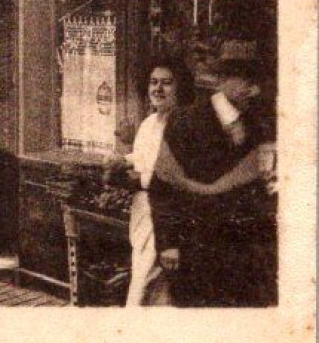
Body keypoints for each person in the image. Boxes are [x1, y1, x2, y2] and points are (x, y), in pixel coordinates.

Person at [150, 47, 276, 307]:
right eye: (248, 81)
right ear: (222, 80)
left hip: (243, 254)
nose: (255, 90)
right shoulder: (185, 121)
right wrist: (168, 243)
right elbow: (162, 187)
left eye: (256, 82)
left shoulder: (256, 124)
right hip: (196, 249)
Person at [110, 64, 190, 306]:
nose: (158, 88)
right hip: (143, 212)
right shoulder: (148, 124)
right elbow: (142, 158)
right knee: (154, 288)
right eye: (153, 82)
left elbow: (174, 177)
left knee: (144, 286)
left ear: (179, 87)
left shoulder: (183, 126)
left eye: (166, 82)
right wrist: (122, 160)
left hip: (166, 213)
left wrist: (139, 177)